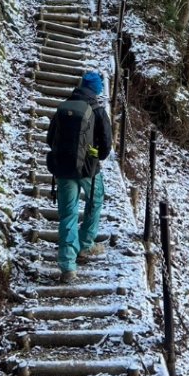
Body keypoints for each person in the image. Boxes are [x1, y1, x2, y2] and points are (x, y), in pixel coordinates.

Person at [46, 70, 112, 283]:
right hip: (88, 170)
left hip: (64, 169)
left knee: (67, 214)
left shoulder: (63, 107)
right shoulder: (97, 110)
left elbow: (49, 138)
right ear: (96, 89)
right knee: (96, 201)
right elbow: (106, 145)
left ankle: (68, 267)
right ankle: (85, 244)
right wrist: (96, 155)